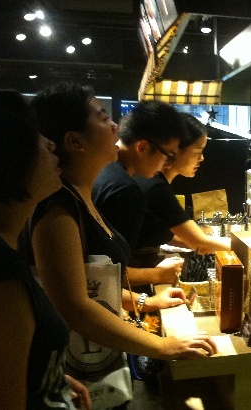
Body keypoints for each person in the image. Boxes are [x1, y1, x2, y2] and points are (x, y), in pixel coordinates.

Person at [23, 82, 217, 389]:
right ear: (75, 141)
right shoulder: (57, 210)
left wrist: (145, 301)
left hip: (100, 364)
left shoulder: (81, 195)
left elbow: (94, 287)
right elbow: (74, 306)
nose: (115, 125)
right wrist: (162, 346)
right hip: (80, 369)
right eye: (102, 118)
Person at [0, 89, 91, 409]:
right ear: (6, 154)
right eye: (34, 134)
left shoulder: (1, 250)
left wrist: (51, 377)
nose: (50, 144)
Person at [92, 100, 186, 285]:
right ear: (142, 147)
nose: (168, 165)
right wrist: (159, 274)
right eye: (169, 155)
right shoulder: (125, 190)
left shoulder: (103, 170)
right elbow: (108, 272)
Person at [135, 113, 231, 257]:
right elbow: (201, 244)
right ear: (175, 149)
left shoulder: (154, 181)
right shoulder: (156, 188)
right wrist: (248, 246)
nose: (202, 158)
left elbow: (168, 237)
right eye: (198, 151)